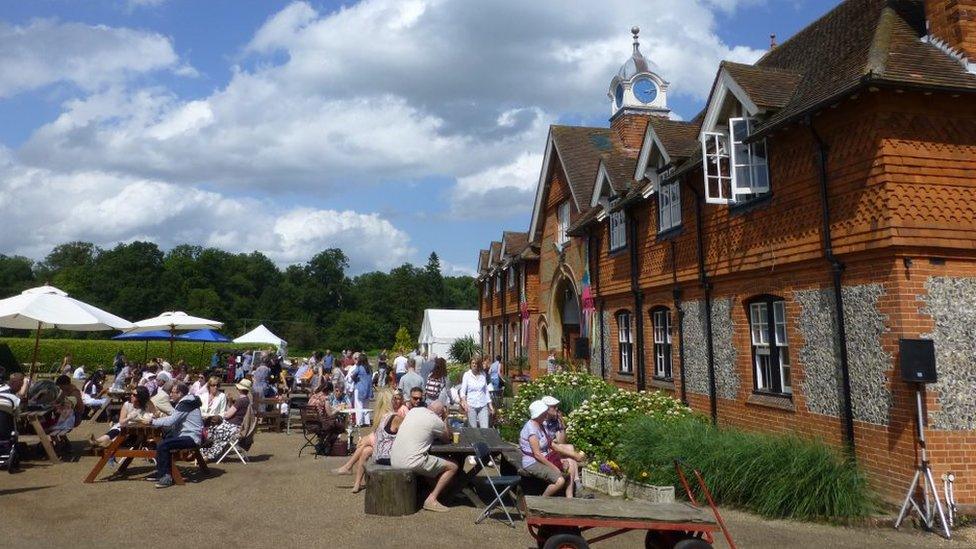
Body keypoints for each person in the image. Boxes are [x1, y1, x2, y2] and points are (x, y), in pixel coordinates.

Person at [390, 400, 457, 512]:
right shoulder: (435, 420)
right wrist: (445, 419)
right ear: (440, 414)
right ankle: (432, 498)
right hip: (411, 461)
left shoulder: (413, 411)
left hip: (394, 458)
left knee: (427, 460)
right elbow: (447, 438)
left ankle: (435, 490)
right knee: (453, 466)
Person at [144, 383, 204, 488]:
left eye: (173, 392)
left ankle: (166, 477)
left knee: (163, 445)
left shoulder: (185, 403)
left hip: (190, 437)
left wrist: (152, 422)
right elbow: (174, 417)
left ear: (180, 393)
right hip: (190, 435)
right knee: (162, 441)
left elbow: (171, 421)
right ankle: (161, 473)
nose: (170, 394)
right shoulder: (188, 402)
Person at [332, 389, 395, 478]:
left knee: (364, 444)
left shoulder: (393, 415)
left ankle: (348, 467)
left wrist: (368, 439)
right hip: (384, 445)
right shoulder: (388, 415)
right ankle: (356, 482)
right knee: (365, 449)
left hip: (387, 448)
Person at [520, 400, 572, 497]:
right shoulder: (532, 430)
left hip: (544, 458)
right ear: (539, 414)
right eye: (544, 412)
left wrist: (560, 462)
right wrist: (555, 468)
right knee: (560, 480)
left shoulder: (540, 425)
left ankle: (569, 499)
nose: (546, 414)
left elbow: (550, 445)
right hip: (532, 462)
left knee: (567, 471)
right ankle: (541, 502)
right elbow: (537, 455)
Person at [200, 378, 252, 461]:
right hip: (237, 427)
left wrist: (214, 415)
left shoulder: (240, 401)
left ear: (240, 389)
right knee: (216, 435)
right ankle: (205, 454)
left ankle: (204, 454)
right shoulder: (247, 400)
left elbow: (227, 415)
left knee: (211, 432)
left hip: (232, 427)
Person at [90, 386, 155, 448]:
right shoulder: (127, 404)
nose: (131, 396)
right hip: (125, 426)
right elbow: (121, 422)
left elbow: (155, 414)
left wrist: (150, 418)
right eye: (131, 394)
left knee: (125, 433)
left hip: (138, 431)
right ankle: (99, 441)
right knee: (117, 430)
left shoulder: (147, 404)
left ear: (141, 397)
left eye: (134, 395)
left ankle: (105, 443)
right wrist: (129, 417)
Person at [459, 358, 493, 428]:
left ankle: (483, 439)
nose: (474, 365)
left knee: (485, 428)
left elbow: (486, 391)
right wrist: (464, 402)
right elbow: (462, 391)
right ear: (470, 364)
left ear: (479, 365)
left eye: (476, 363)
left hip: (482, 404)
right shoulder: (467, 375)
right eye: (473, 363)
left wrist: (490, 405)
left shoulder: (483, 374)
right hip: (471, 405)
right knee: (472, 429)